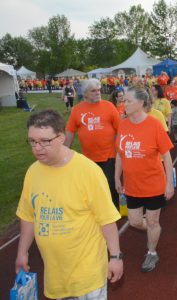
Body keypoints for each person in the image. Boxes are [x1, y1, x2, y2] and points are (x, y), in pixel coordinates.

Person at [15, 110, 123, 299]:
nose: (37, 148)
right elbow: (27, 216)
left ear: (61, 138)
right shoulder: (33, 172)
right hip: (55, 278)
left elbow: (106, 219)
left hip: (87, 277)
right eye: (32, 141)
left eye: (44, 141)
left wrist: (115, 257)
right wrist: (22, 252)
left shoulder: (88, 171)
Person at [115, 86, 174, 272]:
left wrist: (169, 183)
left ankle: (151, 253)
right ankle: (153, 229)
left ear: (141, 103)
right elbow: (119, 154)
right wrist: (117, 177)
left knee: (152, 221)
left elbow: (167, 155)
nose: (125, 104)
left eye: (129, 101)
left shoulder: (154, 124)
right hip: (132, 185)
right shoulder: (122, 125)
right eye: (124, 100)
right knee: (133, 221)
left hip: (154, 184)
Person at [65, 79, 121, 209]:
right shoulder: (77, 110)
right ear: (85, 94)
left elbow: (120, 130)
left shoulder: (109, 106)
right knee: (93, 187)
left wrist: (120, 152)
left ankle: (114, 211)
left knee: (110, 183)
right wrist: (62, 154)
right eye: (93, 91)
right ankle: (98, 210)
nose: (98, 93)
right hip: (89, 158)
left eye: (98, 90)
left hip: (109, 155)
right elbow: (70, 133)